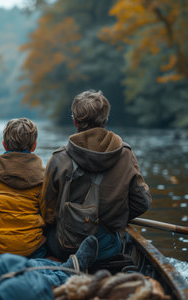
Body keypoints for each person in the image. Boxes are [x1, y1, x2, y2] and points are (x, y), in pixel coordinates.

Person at [41, 90, 152, 261]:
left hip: (65, 248)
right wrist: (117, 218)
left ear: (75, 121)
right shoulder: (126, 154)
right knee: (124, 239)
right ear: (105, 121)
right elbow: (142, 202)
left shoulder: (59, 158)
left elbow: (47, 214)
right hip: (106, 248)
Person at [0, 118, 46, 258]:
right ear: (34, 146)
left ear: (4, 145)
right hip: (31, 248)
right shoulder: (44, 180)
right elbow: (48, 213)